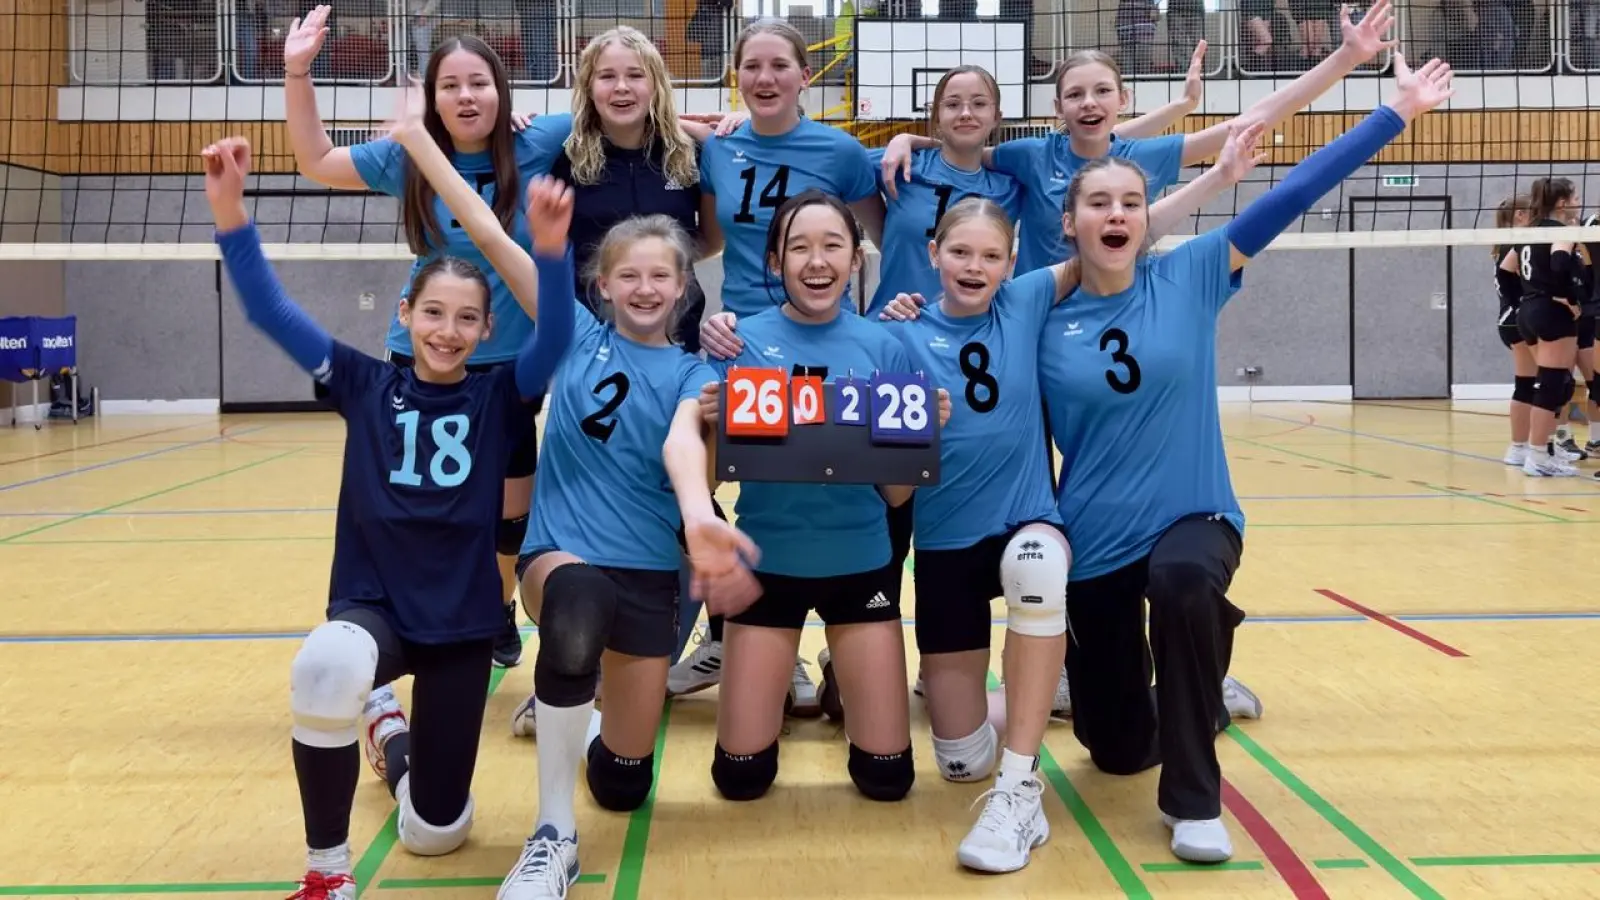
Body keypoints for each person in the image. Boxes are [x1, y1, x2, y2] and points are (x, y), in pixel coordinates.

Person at [1035, 52, 1453, 863]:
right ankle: (1201, 675)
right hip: (1093, 542)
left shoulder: (1191, 272)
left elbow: (1297, 191)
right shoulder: (1040, 312)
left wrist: (1395, 113)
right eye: (1098, 203)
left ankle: (1193, 801)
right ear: (1071, 222)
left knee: (1183, 581)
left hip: (1195, 519)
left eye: (1131, 201)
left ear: (1148, 215)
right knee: (1113, 746)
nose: (1116, 213)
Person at [871, 121, 1268, 873]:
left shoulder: (1026, 300)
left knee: (1040, 565)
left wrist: (1217, 181)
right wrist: (911, 439)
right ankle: (1164, 693)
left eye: (990, 255)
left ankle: (1023, 790)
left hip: (1030, 524)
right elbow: (892, 490)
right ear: (931, 257)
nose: (974, 265)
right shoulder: (896, 336)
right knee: (960, 760)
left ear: (1013, 261)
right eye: (958, 252)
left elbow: (1113, 239)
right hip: (949, 545)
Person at [200, 132, 572, 899]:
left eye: (466, 319)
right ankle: (327, 874)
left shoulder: (500, 398)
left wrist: (554, 252)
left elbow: (560, 336)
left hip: (462, 624)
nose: (447, 331)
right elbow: (271, 312)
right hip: (375, 607)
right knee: (326, 662)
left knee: (436, 832)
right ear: (405, 312)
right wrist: (230, 213)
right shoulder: (364, 384)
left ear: (486, 330)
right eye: (432, 312)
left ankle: (389, 733)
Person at [284, 9, 572, 691]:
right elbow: (316, 159)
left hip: (508, 365)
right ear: (432, 98)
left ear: (502, 92)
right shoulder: (407, 155)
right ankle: (402, 624)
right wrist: (299, 71)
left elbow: (634, 117)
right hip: (422, 360)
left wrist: (717, 127)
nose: (466, 96)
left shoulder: (542, 140)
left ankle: (497, 607)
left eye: (479, 83)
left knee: (509, 517)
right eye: (450, 85)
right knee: (424, 503)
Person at [698, 189, 950, 805]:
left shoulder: (884, 348)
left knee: (886, 780)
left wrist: (921, 441)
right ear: (776, 261)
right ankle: (793, 682)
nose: (817, 260)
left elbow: (895, 498)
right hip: (766, 572)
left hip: (859, 566)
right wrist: (710, 423)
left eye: (833, 244)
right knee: (741, 780)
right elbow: (707, 485)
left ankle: (843, 682)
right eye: (799, 247)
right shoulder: (739, 345)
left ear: (856, 259)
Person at [669, 17, 883, 711]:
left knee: (833, 483)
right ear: (737, 76)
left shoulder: (843, 152)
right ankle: (733, 632)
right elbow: (706, 239)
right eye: (751, 67)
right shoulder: (719, 150)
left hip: (824, 342)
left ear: (805, 75)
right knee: (719, 480)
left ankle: (832, 637)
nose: (765, 79)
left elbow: (878, 232)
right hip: (742, 343)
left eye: (779, 66)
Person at [879, 0, 1399, 276]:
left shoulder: (1142, 157)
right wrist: (909, 139)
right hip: (1038, 317)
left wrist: (1346, 60)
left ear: (1121, 100)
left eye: (1101, 91)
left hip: (1118, 305)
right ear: (1057, 106)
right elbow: (964, 149)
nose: (1089, 103)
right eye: (1075, 95)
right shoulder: (1030, 154)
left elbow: (1254, 117)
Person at [1513, 176, 1584, 477]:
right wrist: (1569, 297)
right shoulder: (1563, 231)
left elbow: (1507, 270)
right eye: (1575, 197)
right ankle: (1539, 456)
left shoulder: (1527, 232)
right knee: (1552, 386)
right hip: (1552, 311)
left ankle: (1539, 453)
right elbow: (1558, 263)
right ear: (1562, 203)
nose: (1579, 202)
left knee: (1552, 385)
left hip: (1527, 310)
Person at [1495, 195, 1537, 467]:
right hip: (1519, 319)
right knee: (1536, 385)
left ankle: (1526, 447)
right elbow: (1505, 274)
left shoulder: (1506, 242)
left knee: (1532, 384)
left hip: (1510, 319)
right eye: (1533, 212)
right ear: (1521, 215)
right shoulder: (1519, 244)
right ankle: (1523, 448)